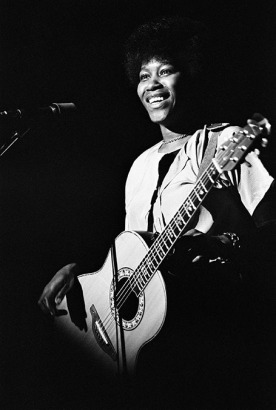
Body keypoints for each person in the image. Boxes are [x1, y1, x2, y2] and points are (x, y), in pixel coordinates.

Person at [38, 16, 276, 409]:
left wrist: (224, 242)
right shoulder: (140, 166)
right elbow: (135, 260)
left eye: (166, 71)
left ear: (192, 74)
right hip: (148, 350)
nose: (152, 84)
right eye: (143, 75)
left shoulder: (227, 142)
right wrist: (81, 277)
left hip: (210, 340)